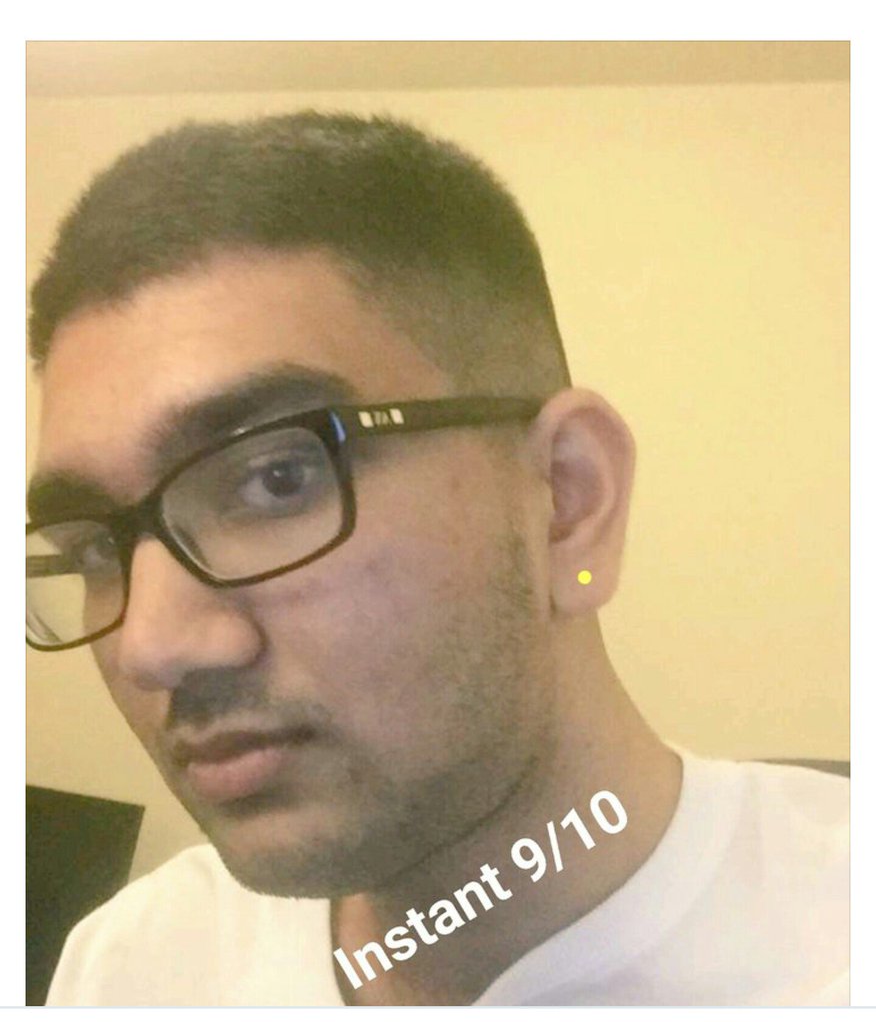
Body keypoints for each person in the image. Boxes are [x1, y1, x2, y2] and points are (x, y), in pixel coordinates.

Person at [27, 113, 848, 1007]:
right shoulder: (131, 967)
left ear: (569, 502)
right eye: (93, 547)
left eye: (276, 480)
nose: (150, 647)